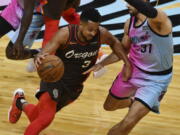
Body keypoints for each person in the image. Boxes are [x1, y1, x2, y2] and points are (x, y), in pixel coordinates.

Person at [8, 8, 132, 135]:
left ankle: (19, 102)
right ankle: (21, 102)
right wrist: (41, 55)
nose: (93, 33)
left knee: (37, 117)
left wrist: (110, 63)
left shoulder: (102, 34)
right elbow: (48, 49)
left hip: (74, 87)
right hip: (55, 80)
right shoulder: (65, 34)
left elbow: (116, 44)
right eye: (90, 29)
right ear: (80, 24)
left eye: (95, 29)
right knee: (45, 119)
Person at [85, 0, 173, 134]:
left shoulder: (159, 21)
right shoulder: (129, 24)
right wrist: (101, 63)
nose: (127, 5)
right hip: (132, 72)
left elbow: (151, 11)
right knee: (108, 106)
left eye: (130, 2)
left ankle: (143, 103)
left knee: (127, 123)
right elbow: (123, 51)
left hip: (155, 81)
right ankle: (134, 102)